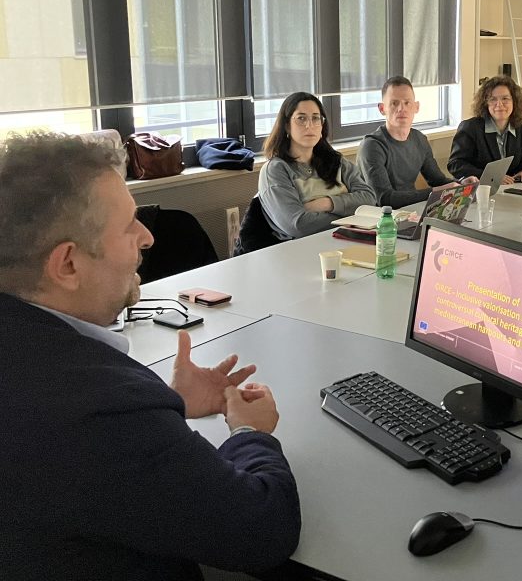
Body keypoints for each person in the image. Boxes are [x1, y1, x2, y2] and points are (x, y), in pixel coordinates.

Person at [0, 133, 301, 579]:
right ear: (67, 265)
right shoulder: (96, 408)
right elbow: (262, 530)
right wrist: (249, 433)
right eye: (129, 225)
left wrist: (168, 404)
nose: (147, 237)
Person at [259, 91, 375, 239]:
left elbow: (370, 199)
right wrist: (352, 215)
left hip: (349, 239)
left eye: (315, 118)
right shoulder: (275, 170)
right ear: (287, 126)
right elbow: (298, 225)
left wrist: (327, 203)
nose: (310, 125)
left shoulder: (337, 161)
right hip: (303, 248)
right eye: (301, 118)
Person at [358, 76, 471, 209]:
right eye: (394, 103)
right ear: (382, 109)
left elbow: (437, 180)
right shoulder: (372, 146)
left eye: (407, 103)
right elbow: (385, 198)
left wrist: (461, 183)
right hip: (378, 217)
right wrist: (437, 192)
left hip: (410, 211)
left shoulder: (420, 139)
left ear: (416, 107)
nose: (401, 108)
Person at [447, 75, 522, 184]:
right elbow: (455, 164)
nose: (499, 104)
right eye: (493, 99)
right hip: (480, 188)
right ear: (486, 103)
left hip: (511, 188)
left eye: (505, 99)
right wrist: (490, 176)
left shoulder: (521, 127)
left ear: (514, 101)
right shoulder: (470, 128)